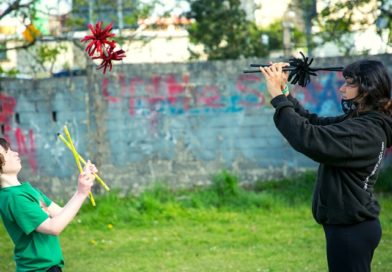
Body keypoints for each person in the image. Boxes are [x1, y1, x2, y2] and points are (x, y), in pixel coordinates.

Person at [260, 59, 392, 272]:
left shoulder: (364, 132)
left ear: (367, 90)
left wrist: (276, 96)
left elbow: (307, 138)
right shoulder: (362, 123)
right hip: (351, 226)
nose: (342, 89)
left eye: (349, 84)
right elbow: (314, 124)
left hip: (351, 230)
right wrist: (284, 92)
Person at [0, 137, 97, 272]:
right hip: (37, 269)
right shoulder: (14, 198)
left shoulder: (27, 190)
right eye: (7, 152)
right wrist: (81, 193)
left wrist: (82, 186)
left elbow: (61, 214)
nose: (15, 153)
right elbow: (53, 227)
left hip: (49, 267)